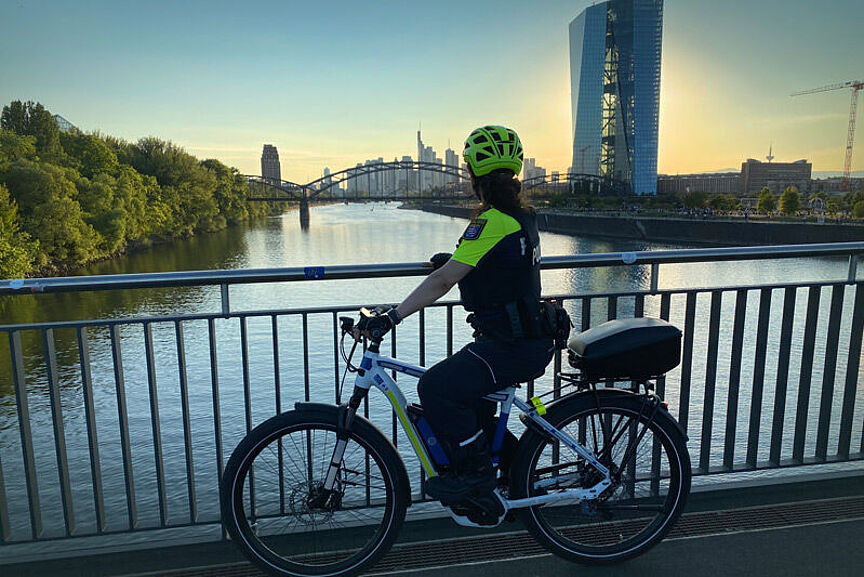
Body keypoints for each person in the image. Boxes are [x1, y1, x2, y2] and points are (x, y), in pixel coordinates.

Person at [362, 125, 555, 522]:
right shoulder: (522, 216)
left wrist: (392, 316)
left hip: (509, 346)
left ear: (472, 174)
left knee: (435, 387)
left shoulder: (492, 221)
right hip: (522, 339)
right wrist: (452, 262)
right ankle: (518, 475)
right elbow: (491, 267)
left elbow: (443, 281)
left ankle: (476, 475)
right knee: (470, 403)